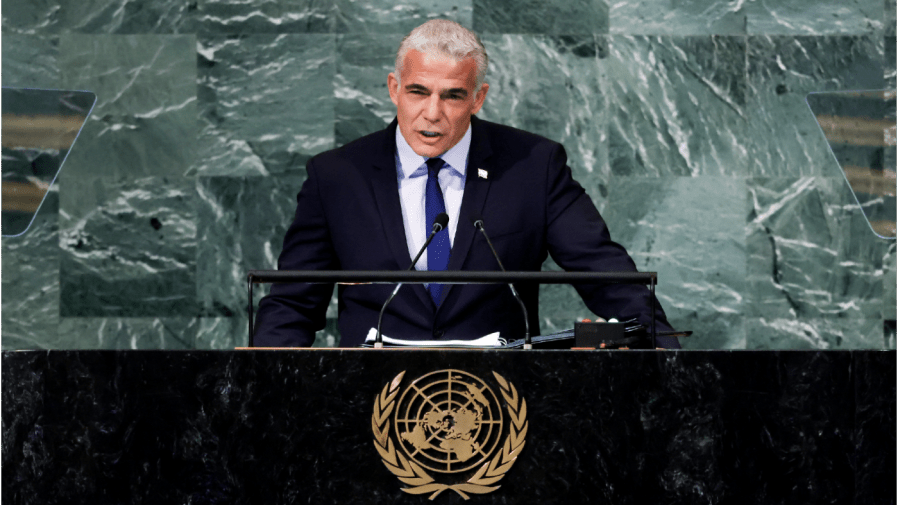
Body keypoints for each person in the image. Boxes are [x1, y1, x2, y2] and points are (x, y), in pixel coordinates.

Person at [254, 19, 680, 349]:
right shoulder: (337, 176)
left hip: (501, 405)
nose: (432, 112)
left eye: (453, 95)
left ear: (478, 98)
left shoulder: (533, 166)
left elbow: (606, 275)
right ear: (394, 89)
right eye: (418, 92)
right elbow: (292, 305)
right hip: (370, 400)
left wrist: (668, 355)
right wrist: (259, 385)